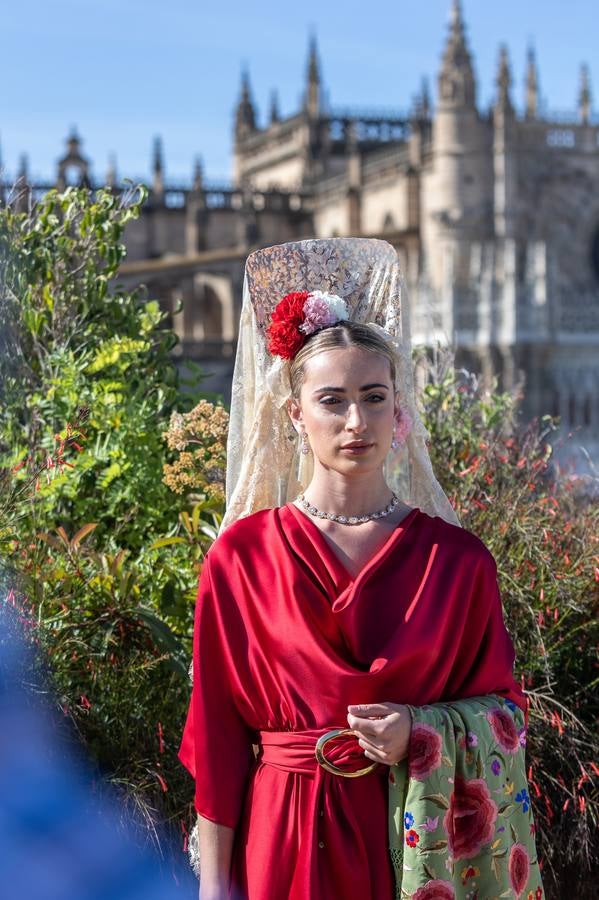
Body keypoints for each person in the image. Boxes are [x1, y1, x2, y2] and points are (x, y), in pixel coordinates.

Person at [178, 239, 543, 899]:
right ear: (294, 414)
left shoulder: (456, 561)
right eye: (332, 400)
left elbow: (505, 717)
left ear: (399, 410)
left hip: (416, 844)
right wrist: (212, 891)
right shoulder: (240, 558)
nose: (356, 420)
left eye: (374, 397)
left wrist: (422, 735)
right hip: (281, 843)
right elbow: (218, 744)